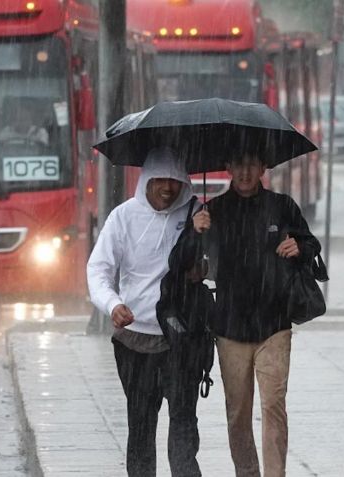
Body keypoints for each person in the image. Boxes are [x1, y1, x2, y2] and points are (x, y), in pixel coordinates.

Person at [175, 152, 320, 477]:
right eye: (238, 164)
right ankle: (247, 472)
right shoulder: (213, 211)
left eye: (252, 164)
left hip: (275, 325)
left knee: (273, 406)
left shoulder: (282, 206)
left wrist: (300, 247)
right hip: (230, 328)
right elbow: (185, 262)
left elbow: (311, 244)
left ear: (263, 168)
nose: (245, 172)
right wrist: (195, 231)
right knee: (237, 414)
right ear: (228, 167)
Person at [86, 147, 202, 477]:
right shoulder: (122, 217)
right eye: (160, 179)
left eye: (176, 180)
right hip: (135, 341)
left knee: (184, 425)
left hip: (182, 340)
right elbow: (98, 269)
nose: (168, 187)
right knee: (140, 426)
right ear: (146, 180)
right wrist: (113, 304)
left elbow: (217, 264)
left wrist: (203, 255)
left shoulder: (197, 215)